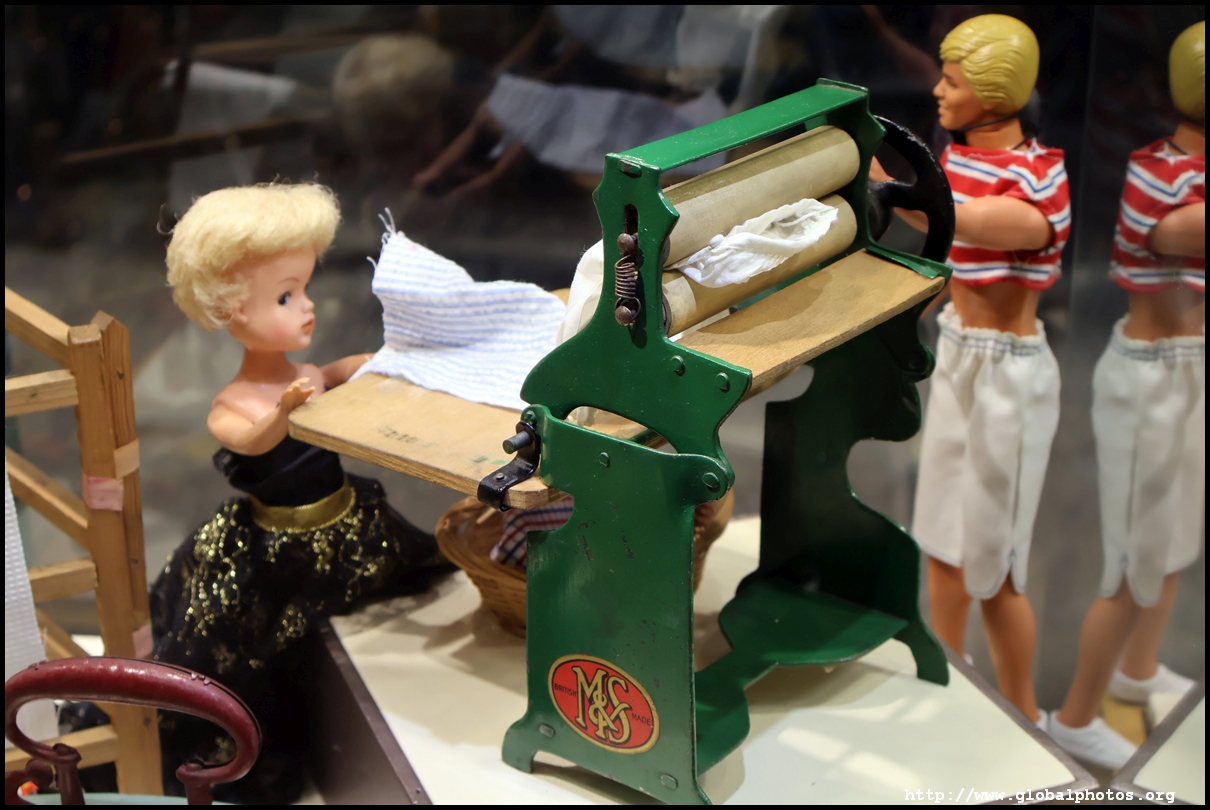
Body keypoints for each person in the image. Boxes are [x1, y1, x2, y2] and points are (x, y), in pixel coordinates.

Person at [151, 183, 450, 802]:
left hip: (343, 518)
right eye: (287, 296)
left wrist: (362, 364)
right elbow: (247, 439)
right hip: (278, 542)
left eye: (306, 289)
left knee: (415, 594)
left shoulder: (307, 375)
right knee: (252, 651)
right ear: (232, 309)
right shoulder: (234, 402)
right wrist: (282, 412)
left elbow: (335, 374)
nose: (309, 308)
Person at [873, 14, 1070, 725]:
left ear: (994, 93)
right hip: (958, 356)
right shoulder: (953, 162)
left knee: (997, 564)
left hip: (1009, 377)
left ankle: (1025, 714)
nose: (938, 90)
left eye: (952, 82)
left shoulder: (1041, 175)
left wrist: (889, 183)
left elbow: (974, 223)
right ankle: (947, 682)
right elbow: (946, 246)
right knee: (941, 542)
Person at [1049, 21, 1205, 770]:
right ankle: (1076, 715)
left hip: (1187, 368)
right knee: (1132, 563)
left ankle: (1138, 673)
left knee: (1174, 542)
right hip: (1147, 377)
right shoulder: (1159, 173)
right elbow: (1172, 236)